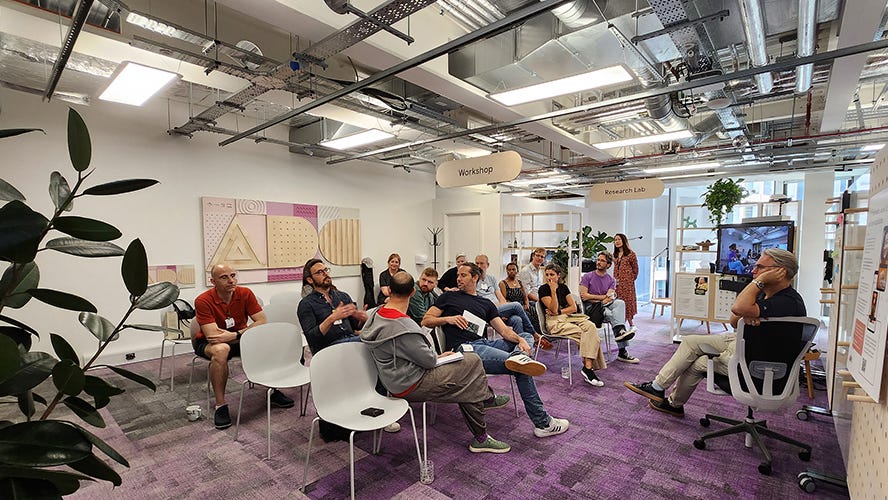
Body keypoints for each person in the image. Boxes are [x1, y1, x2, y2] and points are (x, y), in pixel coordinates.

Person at [625, 248, 806, 417]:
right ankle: (657, 387)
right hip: (742, 342)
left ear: (779, 272)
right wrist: (745, 314)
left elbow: (738, 307)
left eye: (760, 267)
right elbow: (734, 320)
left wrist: (757, 284)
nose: (753, 271)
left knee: (698, 363)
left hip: (760, 366)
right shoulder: (763, 295)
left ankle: (674, 405)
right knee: (689, 342)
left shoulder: (788, 302)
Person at [361, 271, 512, 453]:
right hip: (411, 383)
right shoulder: (405, 327)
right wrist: (441, 357)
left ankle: (483, 416)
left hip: (393, 378)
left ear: (390, 291)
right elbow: (429, 361)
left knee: (469, 372)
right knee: (472, 364)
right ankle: (484, 414)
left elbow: (413, 354)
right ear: (412, 293)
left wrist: (438, 357)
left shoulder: (377, 314)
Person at [422, 262, 570, 438]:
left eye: (463, 275)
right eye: (458, 275)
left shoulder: (486, 303)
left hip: (485, 344)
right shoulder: (448, 298)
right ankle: (544, 423)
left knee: (524, 335)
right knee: (521, 369)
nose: (458, 279)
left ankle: (519, 355)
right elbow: (426, 320)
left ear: (475, 277)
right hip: (466, 350)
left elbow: (505, 331)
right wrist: (448, 319)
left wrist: (521, 339)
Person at [298, 258, 400, 434]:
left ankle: (380, 403)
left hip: (351, 341)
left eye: (326, 270)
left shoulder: (342, 296)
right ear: (309, 280)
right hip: (328, 349)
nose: (325, 274)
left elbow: (354, 328)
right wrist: (332, 317)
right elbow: (312, 338)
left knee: (382, 341)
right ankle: (384, 400)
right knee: (374, 346)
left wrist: (362, 319)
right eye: (319, 272)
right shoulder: (306, 304)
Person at [194, 263, 294, 430]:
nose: (231, 280)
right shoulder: (203, 300)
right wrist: (240, 333)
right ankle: (220, 405)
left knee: (267, 344)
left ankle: (273, 391)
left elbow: (262, 321)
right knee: (221, 350)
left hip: (239, 338)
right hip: (207, 343)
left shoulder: (245, 294)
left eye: (233, 276)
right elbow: (214, 336)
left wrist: (235, 335)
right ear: (213, 281)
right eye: (224, 277)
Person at [538, 264, 607, 387]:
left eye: (552, 275)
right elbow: (553, 310)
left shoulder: (564, 287)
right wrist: (553, 291)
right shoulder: (543, 289)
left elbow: (573, 307)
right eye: (547, 274)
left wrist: (560, 311)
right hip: (555, 322)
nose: (549, 278)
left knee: (590, 327)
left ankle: (587, 368)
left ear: (558, 275)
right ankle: (588, 369)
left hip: (569, 317)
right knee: (585, 335)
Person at [579, 252, 640, 364]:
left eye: (602, 261)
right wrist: (602, 298)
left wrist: (598, 297)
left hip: (605, 304)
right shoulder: (587, 277)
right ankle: (622, 350)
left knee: (620, 303)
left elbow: (610, 297)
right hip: (592, 308)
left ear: (608, 265)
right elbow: (584, 296)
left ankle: (620, 333)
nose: (598, 262)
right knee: (612, 315)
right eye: (598, 260)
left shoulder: (611, 280)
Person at [474, 254, 536, 336]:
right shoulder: (473, 280)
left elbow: (501, 298)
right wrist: (496, 313)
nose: (479, 266)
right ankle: (533, 334)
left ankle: (521, 345)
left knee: (517, 319)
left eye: (481, 263)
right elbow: (477, 302)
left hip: (499, 308)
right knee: (516, 305)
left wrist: (504, 312)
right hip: (487, 310)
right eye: (477, 263)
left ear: (487, 265)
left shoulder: (491, 279)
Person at [612, 233, 639, 328]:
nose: (617, 242)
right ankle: (620, 323)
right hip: (617, 283)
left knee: (627, 302)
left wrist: (630, 279)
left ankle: (630, 323)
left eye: (619, 239)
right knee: (618, 302)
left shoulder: (631, 254)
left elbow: (635, 269)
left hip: (627, 283)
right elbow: (615, 268)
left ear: (624, 241)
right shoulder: (615, 255)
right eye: (615, 240)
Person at [518, 248, 547, 333]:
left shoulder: (540, 271)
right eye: (537, 255)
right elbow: (525, 292)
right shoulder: (526, 271)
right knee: (542, 308)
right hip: (529, 300)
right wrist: (540, 300)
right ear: (533, 256)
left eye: (542, 257)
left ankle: (549, 331)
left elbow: (540, 287)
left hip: (539, 298)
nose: (539, 258)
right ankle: (539, 333)